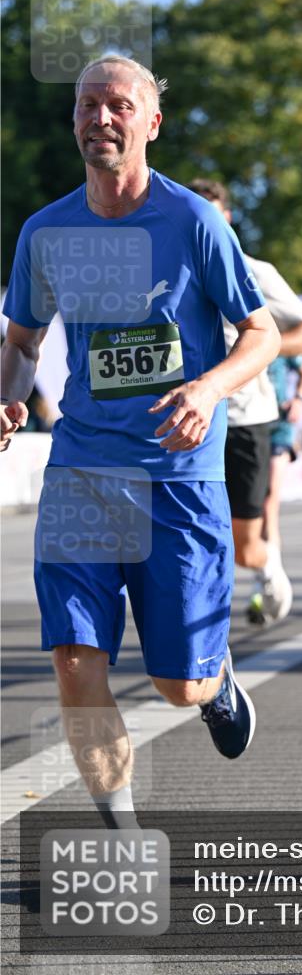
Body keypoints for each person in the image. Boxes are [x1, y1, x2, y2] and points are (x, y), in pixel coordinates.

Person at [0, 55, 281, 827]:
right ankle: (120, 829)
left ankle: (212, 681)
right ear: (75, 123)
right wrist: (6, 400)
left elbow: (262, 334)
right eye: (88, 105)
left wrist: (208, 387)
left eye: (119, 104)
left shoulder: (192, 221)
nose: (101, 117)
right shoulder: (46, 231)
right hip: (83, 470)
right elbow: (22, 345)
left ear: (151, 122)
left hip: (177, 475)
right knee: (73, 659)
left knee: (176, 688)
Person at [186, 179, 302, 625]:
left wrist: (254, 348)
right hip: (194, 418)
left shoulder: (253, 270)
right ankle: (205, 641)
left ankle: (267, 564)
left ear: (225, 219)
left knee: (245, 545)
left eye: (210, 214)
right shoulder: (172, 270)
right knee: (194, 535)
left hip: (247, 417)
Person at [246, 354, 302, 623]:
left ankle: (263, 584)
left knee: (268, 504)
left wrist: (299, 399)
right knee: (247, 512)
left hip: (278, 427)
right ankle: (266, 571)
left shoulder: (280, 330)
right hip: (247, 425)